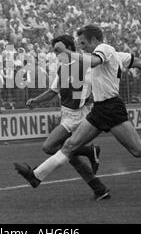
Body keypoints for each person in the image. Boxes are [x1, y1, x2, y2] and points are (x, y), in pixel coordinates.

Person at [14, 25, 141, 195]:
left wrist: (67, 53)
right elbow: (140, 63)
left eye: (84, 43)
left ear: (95, 40)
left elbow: (93, 62)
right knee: (70, 145)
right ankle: (36, 176)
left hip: (111, 107)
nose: (82, 47)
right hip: (99, 109)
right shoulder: (115, 54)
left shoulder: (104, 49)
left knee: (139, 149)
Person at [24, 35, 109, 200]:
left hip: (78, 116)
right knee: (72, 157)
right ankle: (99, 189)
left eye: (59, 50)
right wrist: (36, 101)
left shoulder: (86, 65)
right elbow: (52, 91)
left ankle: (89, 151)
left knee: (49, 147)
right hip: (67, 115)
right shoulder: (63, 67)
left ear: (69, 48)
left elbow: (97, 84)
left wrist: (92, 97)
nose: (56, 54)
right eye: (55, 51)